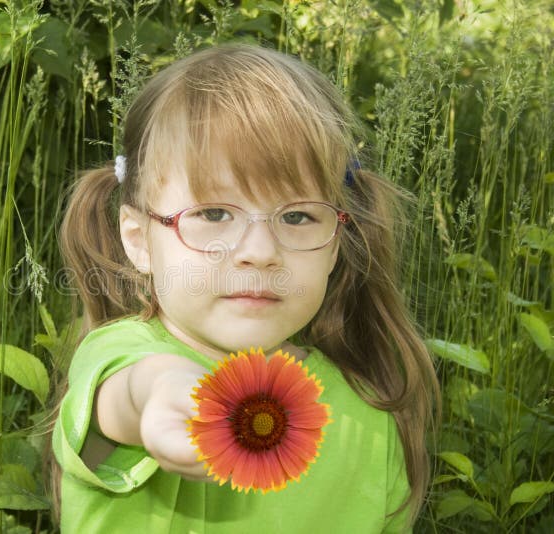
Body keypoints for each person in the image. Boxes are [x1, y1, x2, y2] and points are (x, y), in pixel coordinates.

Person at [52, 44, 439, 533]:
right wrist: (162, 391)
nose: (259, 250)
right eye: (213, 214)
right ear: (139, 241)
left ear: (336, 243)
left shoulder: (370, 409)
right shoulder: (121, 358)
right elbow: (128, 396)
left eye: (297, 216)